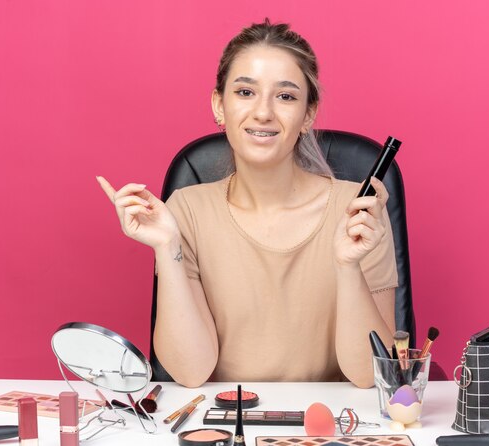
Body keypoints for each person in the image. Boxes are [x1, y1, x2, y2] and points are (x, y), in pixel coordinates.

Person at [97, 19, 398, 388]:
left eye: (286, 96)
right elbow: (191, 372)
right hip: (224, 422)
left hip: (324, 428)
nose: (263, 113)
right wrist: (167, 247)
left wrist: (348, 267)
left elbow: (372, 376)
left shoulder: (358, 212)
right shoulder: (187, 210)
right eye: (245, 92)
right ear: (218, 105)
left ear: (308, 114)